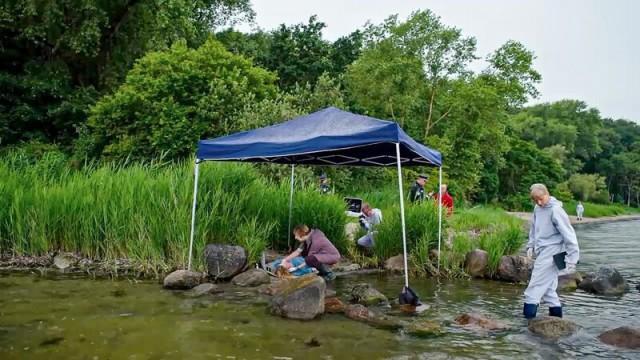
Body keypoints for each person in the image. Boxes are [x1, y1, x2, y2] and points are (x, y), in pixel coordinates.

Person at [523, 184, 580, 319]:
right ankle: (557, 321)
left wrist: (573, 258)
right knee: (549, 290)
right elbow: (534, 228)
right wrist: (530, 245)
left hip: (553, 251)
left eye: (541, 199)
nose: (539, 202)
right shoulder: (538, 208)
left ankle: (526, 325)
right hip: (542, 250)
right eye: (535, 200)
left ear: (547, 194)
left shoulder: (556, 210)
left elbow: (569, 234)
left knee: (533, 288)